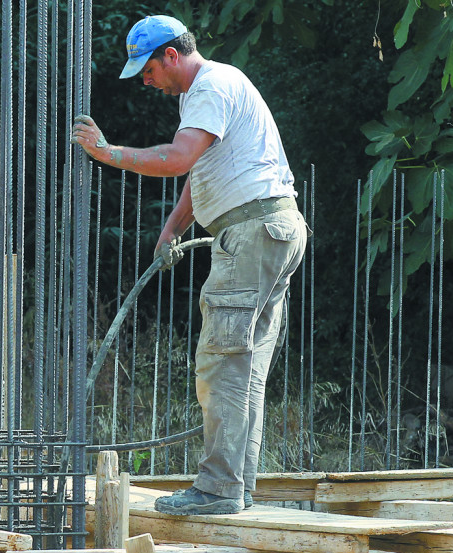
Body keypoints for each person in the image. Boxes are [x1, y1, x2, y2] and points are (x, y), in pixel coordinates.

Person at [72, 14, 307, 516]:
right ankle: (235, 488)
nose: (146, 80)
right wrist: (174, 227)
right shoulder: (205, 91)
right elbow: (199, 168)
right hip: (269, 228)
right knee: (243, 367)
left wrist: (107, 152)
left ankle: (219, 488)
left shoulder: (211, 86)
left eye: (149, 69)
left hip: (250, 234)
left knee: (221, 362)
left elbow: (178, 158)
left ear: (172, 56)